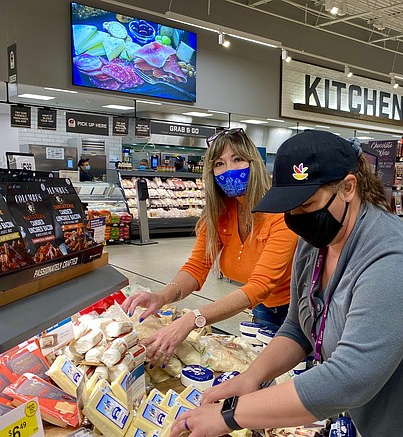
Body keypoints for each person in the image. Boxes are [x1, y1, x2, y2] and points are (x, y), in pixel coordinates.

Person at [167, 130, 403, 437]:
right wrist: (251, 378)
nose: (296, 218)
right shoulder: (316, 242)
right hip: (388, 410)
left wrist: (230, 416)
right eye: (290, 206)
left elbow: (350, 378)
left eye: (307, 204)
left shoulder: (395, 259)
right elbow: (300, 326)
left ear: (349, 187)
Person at [123, 128, 298, 367]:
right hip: (262, 308)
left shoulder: (280, 213)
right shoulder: (219, 213)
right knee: (262, 369)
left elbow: (260, 285)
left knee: (291, 373)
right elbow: (197, 267)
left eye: (237, 159)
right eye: (219, 163)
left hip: (296, 309)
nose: (229, 170)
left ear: (253, 162)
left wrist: (193, 319)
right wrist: (161, 296)